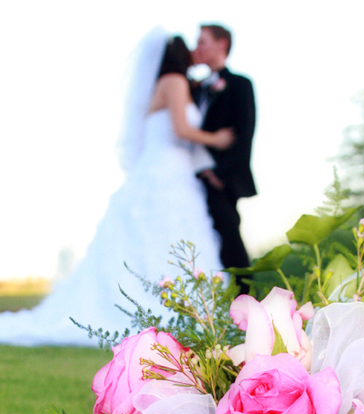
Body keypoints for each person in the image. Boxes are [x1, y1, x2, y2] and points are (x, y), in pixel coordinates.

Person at [0, 28, 233, 346]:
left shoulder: (164, 85)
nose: (195, 53)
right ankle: (170, 311)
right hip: (167, 173)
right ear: (179, 56)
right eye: (190, 49)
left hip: (160, 172)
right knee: (169, 242)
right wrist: (216, 139)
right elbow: (180, 128)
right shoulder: (175, 83)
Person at [192, 24, 257, 294]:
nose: (197, 47)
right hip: (192, 176)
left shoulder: (240, 85)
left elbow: (246, 134)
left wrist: (221, 174)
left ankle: (247, 297)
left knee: (229, 235)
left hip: (222, 178)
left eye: (202, 42)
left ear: (221, 44)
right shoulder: (194, 88)